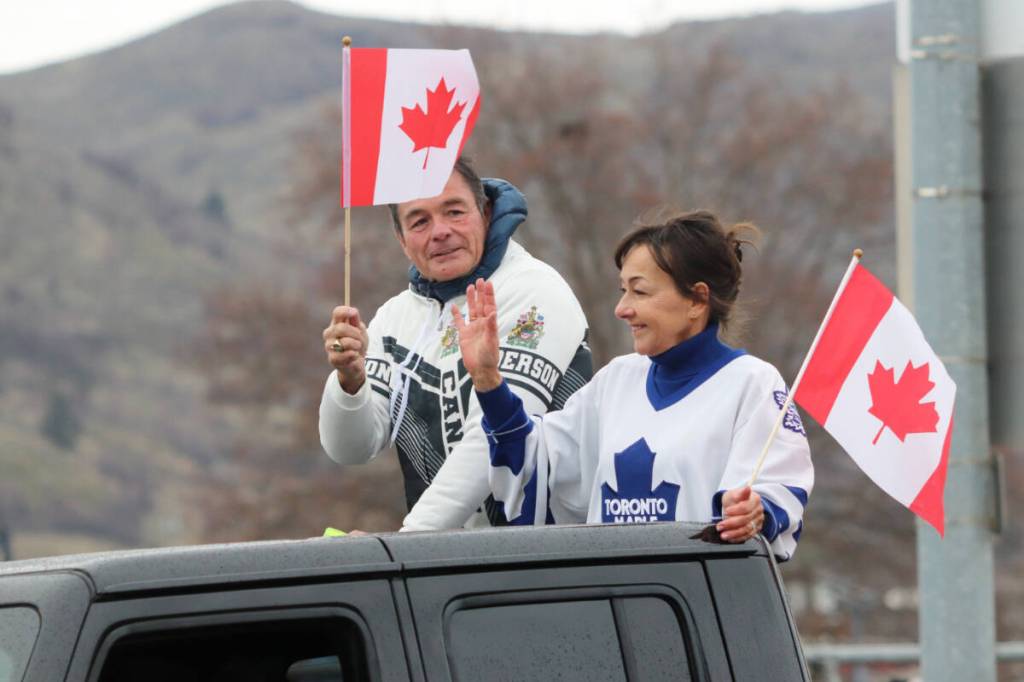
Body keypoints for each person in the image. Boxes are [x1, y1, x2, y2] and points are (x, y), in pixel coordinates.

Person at [453, 210, 813, 560]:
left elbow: (778, 494)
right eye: (623, 290)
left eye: (639, 292)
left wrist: (757, 512)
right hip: (611, 608)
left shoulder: (753, 385)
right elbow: (535, 465)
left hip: (696, 609)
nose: (621, 308)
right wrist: (489, 381)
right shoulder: (617, 380)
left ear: (697, 300)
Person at [319, 157, 592, 530]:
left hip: (552, 558)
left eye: (454, 211)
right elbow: (350, 449)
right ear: (401, 240)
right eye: (419, 221)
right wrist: (351, 382)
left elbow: (490, 441)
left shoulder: (536, 291)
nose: (440, 231)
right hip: (448, 566)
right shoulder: (395, 317)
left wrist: (408, 545)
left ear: (486, 212)